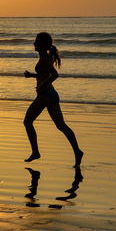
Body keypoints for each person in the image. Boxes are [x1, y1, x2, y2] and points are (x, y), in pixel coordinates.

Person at [23, 32, 83, 167]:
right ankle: (77, 152)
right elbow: (44, 74)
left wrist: (43, 85)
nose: (34, 44)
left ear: (42, 45)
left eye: (36, 42)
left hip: (45, 95)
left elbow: (55, 74)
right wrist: (32, 76)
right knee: (61, 126)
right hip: (52, 94)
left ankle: (35, 152)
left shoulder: (44, 59)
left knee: (27, 122)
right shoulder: (45, 58)